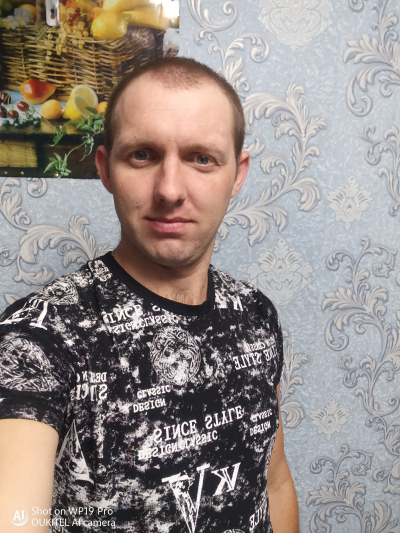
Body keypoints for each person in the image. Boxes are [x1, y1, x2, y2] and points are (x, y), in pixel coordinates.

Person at [0, 57, 299, 533]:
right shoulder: (38, 338)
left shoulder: (256, 314)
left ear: (237, 175)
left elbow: (274, 482)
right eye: (142, 155)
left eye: (202, 158)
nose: (170, 190)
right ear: (105, 169)